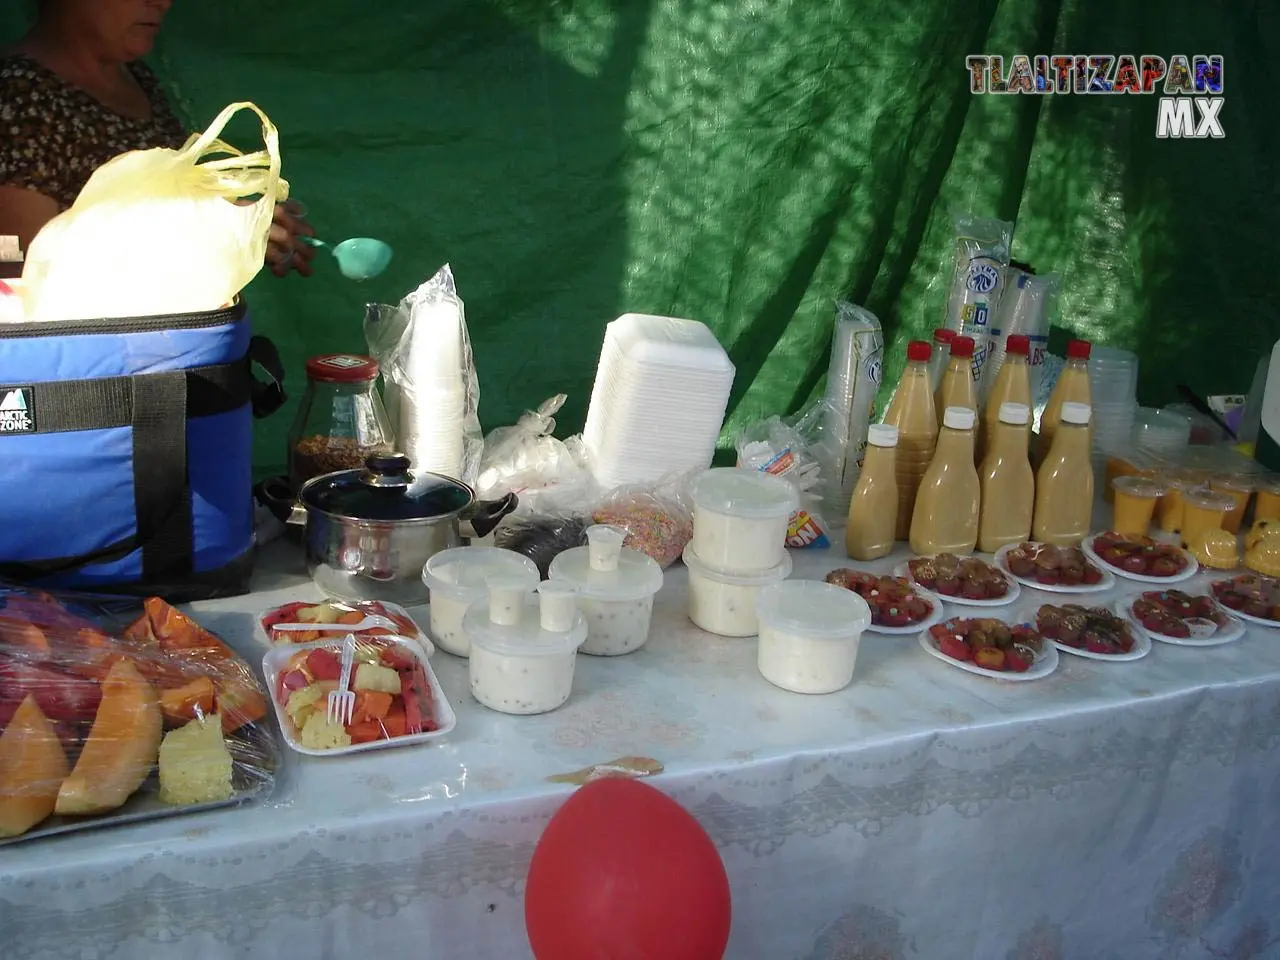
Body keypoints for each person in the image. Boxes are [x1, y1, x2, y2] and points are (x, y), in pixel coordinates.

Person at [0, 0, 314, 278]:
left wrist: (235, 214)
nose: (162, 2)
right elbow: (15, 264)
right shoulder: (17, 95)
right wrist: (211, 230)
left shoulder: (136, 77)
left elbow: (155, 199)